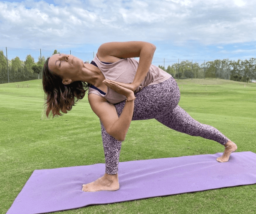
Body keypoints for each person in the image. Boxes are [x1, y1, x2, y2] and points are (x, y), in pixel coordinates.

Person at [43, 41, 237, 193]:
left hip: (165, 87)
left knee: (111, 117)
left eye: (62, 55)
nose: (66, 57)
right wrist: (129, 98)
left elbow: (148, 47)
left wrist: (134, 85)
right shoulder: (96, 97)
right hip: (150, 102)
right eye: (61, 62)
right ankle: (228, 144)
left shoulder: (104, 53)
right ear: (66, 80)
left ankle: (111, 178)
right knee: (191, 126)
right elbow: (118, 133)